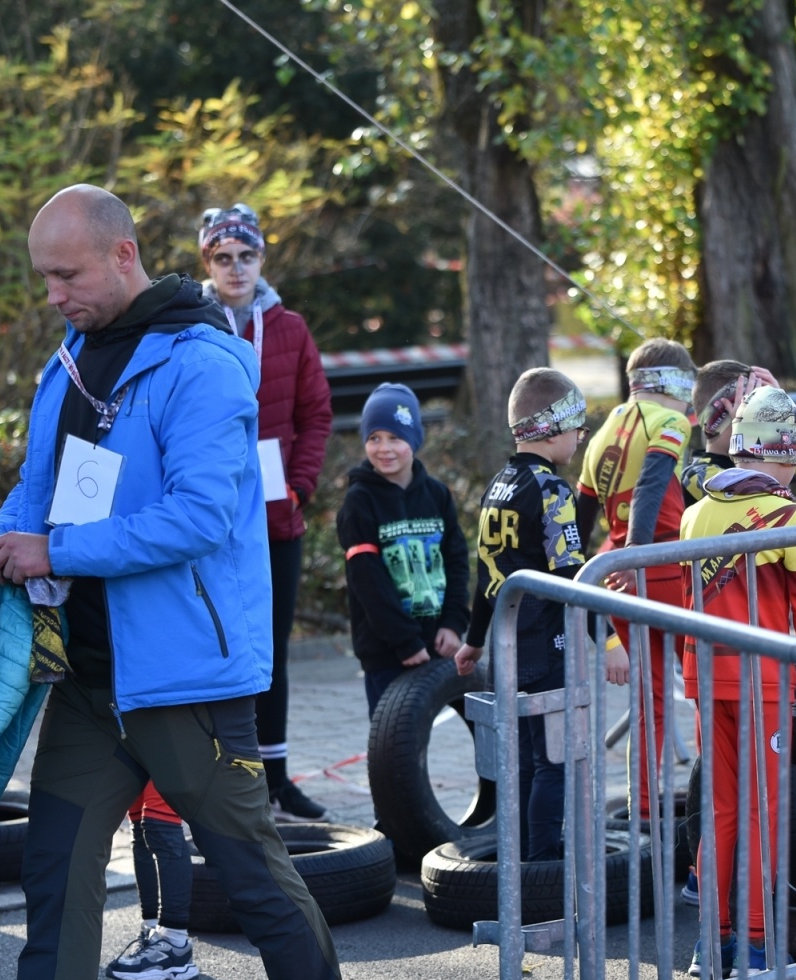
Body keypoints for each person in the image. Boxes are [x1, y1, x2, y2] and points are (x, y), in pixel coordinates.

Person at [0, 184, 363, 980]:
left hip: (186, 685)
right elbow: (37, 493)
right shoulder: (69, 357)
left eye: (65, 274)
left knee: (253, 875)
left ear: (123, 255)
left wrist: (56, 550)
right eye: (43, 278)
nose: (53, 296)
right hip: (86, 686)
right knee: (55, 890)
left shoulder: (203, 363)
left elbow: (198, 517)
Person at [679, 384, 796, 979]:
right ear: (782, 456)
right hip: (763, 682)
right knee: (765, 812)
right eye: (792, 463)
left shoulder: (695, 513)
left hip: (706, 677)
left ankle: (712, 946)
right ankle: (759, 950)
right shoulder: (789, 514)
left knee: (720, 811)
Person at [453, 369, 625, 859]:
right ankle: (545, 862)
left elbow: (487, 571)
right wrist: (609, 642)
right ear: (553, 430)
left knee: (526, 757)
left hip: (508, 646)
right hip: (546, 646)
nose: (579, 441)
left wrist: (475, 638)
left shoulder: (498, 487)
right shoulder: (552, 491)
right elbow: (573, 579)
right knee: (555, 760)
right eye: (577, 431)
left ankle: (524, 858)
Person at [199, 203, 331, 822]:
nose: (235, 268)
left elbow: (316, 415)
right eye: (223, 258)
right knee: (220, 647)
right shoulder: (190, 327)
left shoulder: (290, 328)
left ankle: (277, 779)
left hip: (278, 521)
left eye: (245, 257)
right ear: (208, 263)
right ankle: (228, 778)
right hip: (211, 524)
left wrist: (299, 487)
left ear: (260, 261)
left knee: (270, 652)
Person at [575, 337, 697, 817]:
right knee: (709, 686)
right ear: (676, 386)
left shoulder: (604, 429)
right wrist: (637, 553)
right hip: (664, 565)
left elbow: (581, 521)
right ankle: (720, 795)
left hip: (616, 573)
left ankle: (643, 807)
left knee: (653, 702)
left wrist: (593, 577)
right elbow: (651, 485)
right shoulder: (669, 421)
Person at [335, 382, 470, 718]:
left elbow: (457, 562)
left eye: (395, 437)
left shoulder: (437, 496)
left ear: (414, 439)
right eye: (374, 438)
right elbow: (367, 580)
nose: (385, 449)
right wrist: (403, 640)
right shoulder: (359, 502)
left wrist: (453, 624)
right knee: (393, 748)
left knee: (484, 726)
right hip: (387, 651)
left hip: (440, 643)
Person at [680, 359, 796, 506]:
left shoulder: (761, 458)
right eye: (754, 408)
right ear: (718, 418)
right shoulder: (698, 475)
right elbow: (749, 499)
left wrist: (783, 407)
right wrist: (744, 430)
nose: (765, 417)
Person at [105, 783, 198, 980]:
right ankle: (152, 931)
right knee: (140, 828)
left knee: (161, 824)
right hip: (139, 750)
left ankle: (175, 942)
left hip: (174, 750)